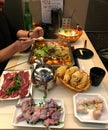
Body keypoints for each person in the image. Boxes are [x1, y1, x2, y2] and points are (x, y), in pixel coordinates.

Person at [0, 0, 44, 75]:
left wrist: (31, 34)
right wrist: (15, 47)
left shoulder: (1, 13)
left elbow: (15, 31)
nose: (2, 1)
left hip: (11, 60)